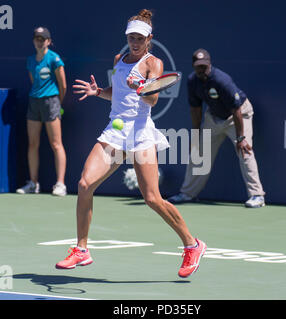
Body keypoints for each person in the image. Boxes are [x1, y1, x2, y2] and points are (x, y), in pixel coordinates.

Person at [55, 9, 206, 278]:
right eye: (131, 37)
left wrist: (141, 86)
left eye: (139, 38)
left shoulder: (153, 64)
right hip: (116, 131)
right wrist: (99, 92)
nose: (134, 42)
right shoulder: (119, 58)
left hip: (141, 134)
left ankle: (192, 245)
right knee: (84, 184)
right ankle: (81, 249)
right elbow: (118, 93)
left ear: (149, 39)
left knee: (152, 198)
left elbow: (152, 100)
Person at [168, 49, 265, 208]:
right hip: (213, 118)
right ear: (193, 66)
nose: (202, 70)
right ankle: (187, 194)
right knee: (199, 152)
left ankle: (257, 196)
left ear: (209, 64)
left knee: (245, 150)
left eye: (204, 66)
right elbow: (195, 109)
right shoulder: (192, 81)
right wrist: (196, 132)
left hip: (239, 116)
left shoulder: (221, 80)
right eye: (198, 67)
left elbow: (237, 110)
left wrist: (240, 138)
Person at [16, 27, 67, 196]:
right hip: (34, 102)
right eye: (37, 38)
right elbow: (33, 81)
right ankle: (33, 183)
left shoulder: (54, 59)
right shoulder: (31, 60)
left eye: (42, 39)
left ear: (48, 41)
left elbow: (63, 85)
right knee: (33, 144)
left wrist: (57, 102)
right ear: (34, 41)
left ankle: (60, 184)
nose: (39, 41)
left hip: (51, 101)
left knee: (56, 144)